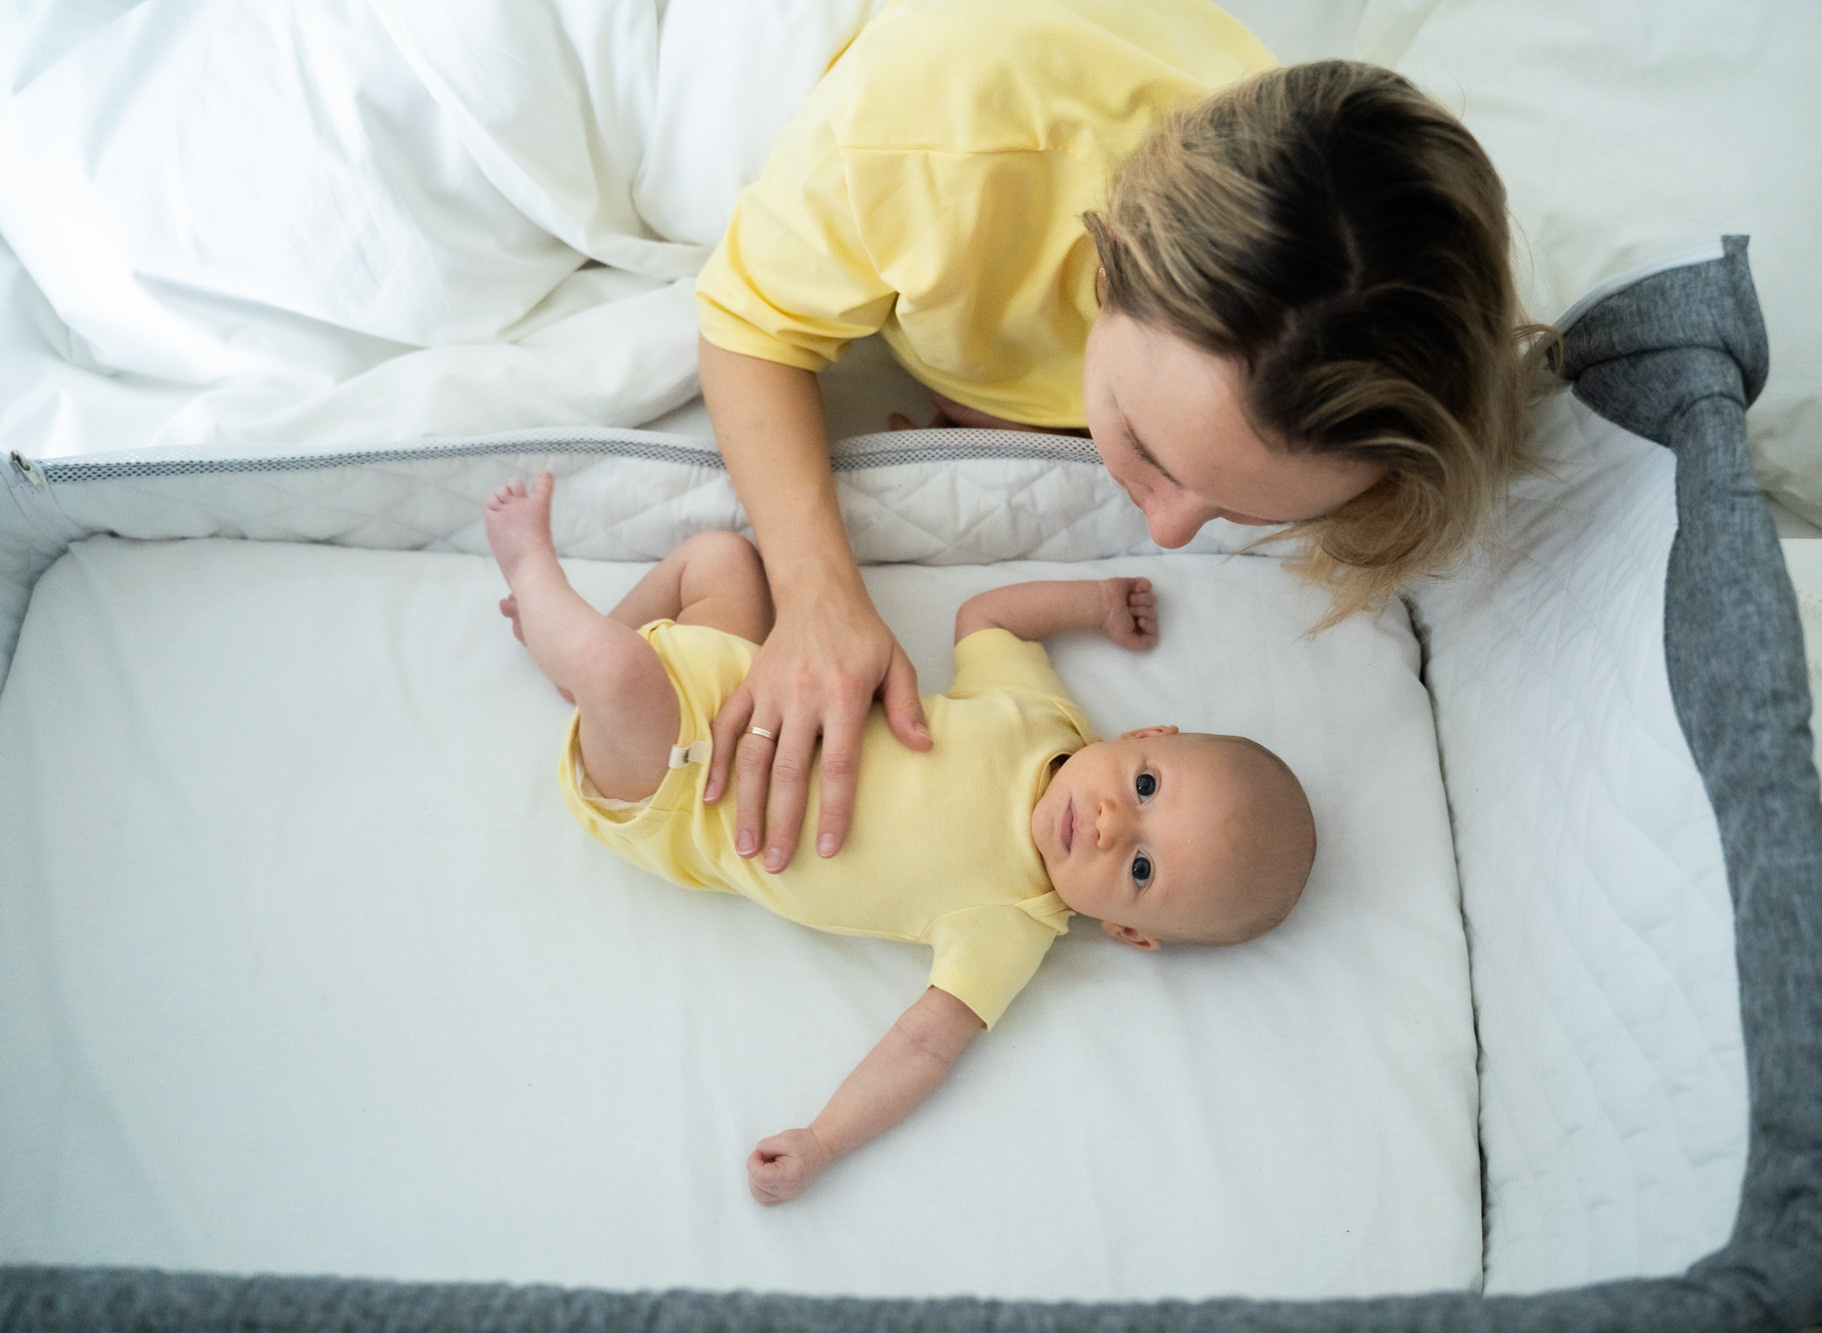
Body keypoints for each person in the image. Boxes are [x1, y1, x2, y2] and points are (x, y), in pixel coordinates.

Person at [694, 1, 1534, 877]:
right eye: (1148, 449)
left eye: (1242, 508)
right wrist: (817, 595)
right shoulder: (924, 148)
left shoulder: (1370, 300)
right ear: (1108, 260)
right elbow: (743, 323)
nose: (1167, 532)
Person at [484, 471, 1317, 1204]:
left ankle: (537, 583)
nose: (1107, 823)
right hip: (748, 670)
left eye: (1139, 867)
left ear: (1128, 932)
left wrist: (824, 1140)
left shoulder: (1012, 921)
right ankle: (573, 656)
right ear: (1149, 731)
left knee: (622, 674)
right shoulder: (1041, 716)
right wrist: (1091, 603)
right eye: (1144, 786)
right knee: (719, 559)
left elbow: (920, 1047)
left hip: (681, 788)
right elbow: (988, 617)